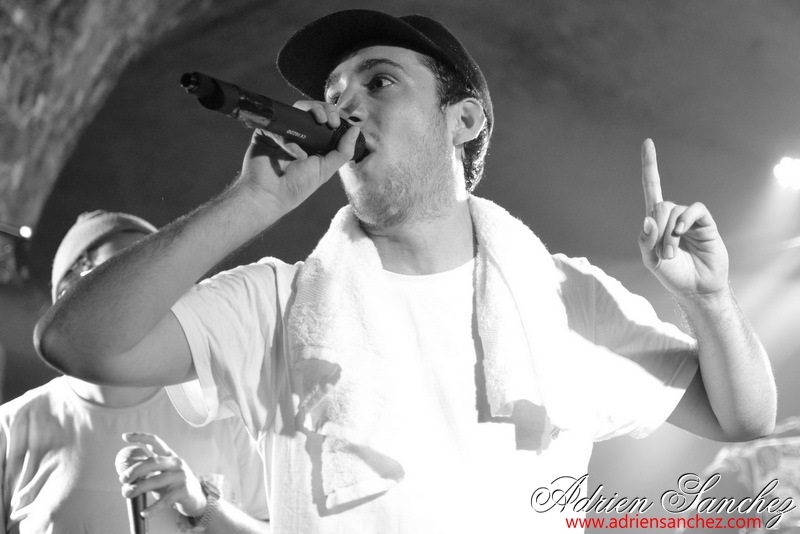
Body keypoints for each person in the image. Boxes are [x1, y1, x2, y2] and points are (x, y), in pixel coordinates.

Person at [33, 10, 776, 534]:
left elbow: (742, 418)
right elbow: (79, 344)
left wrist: (709, 299)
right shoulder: (276, 303)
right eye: (333, 97)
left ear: (465, 120)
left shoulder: (561, 299)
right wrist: (250, 202)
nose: (346, 107)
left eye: (380, 82)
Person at [1, 210, 270, 533]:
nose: (143, 293)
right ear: (68, 297)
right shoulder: (11, 427)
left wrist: (204, 505)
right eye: (122, 274)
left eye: (155, 275)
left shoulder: (224, 411)